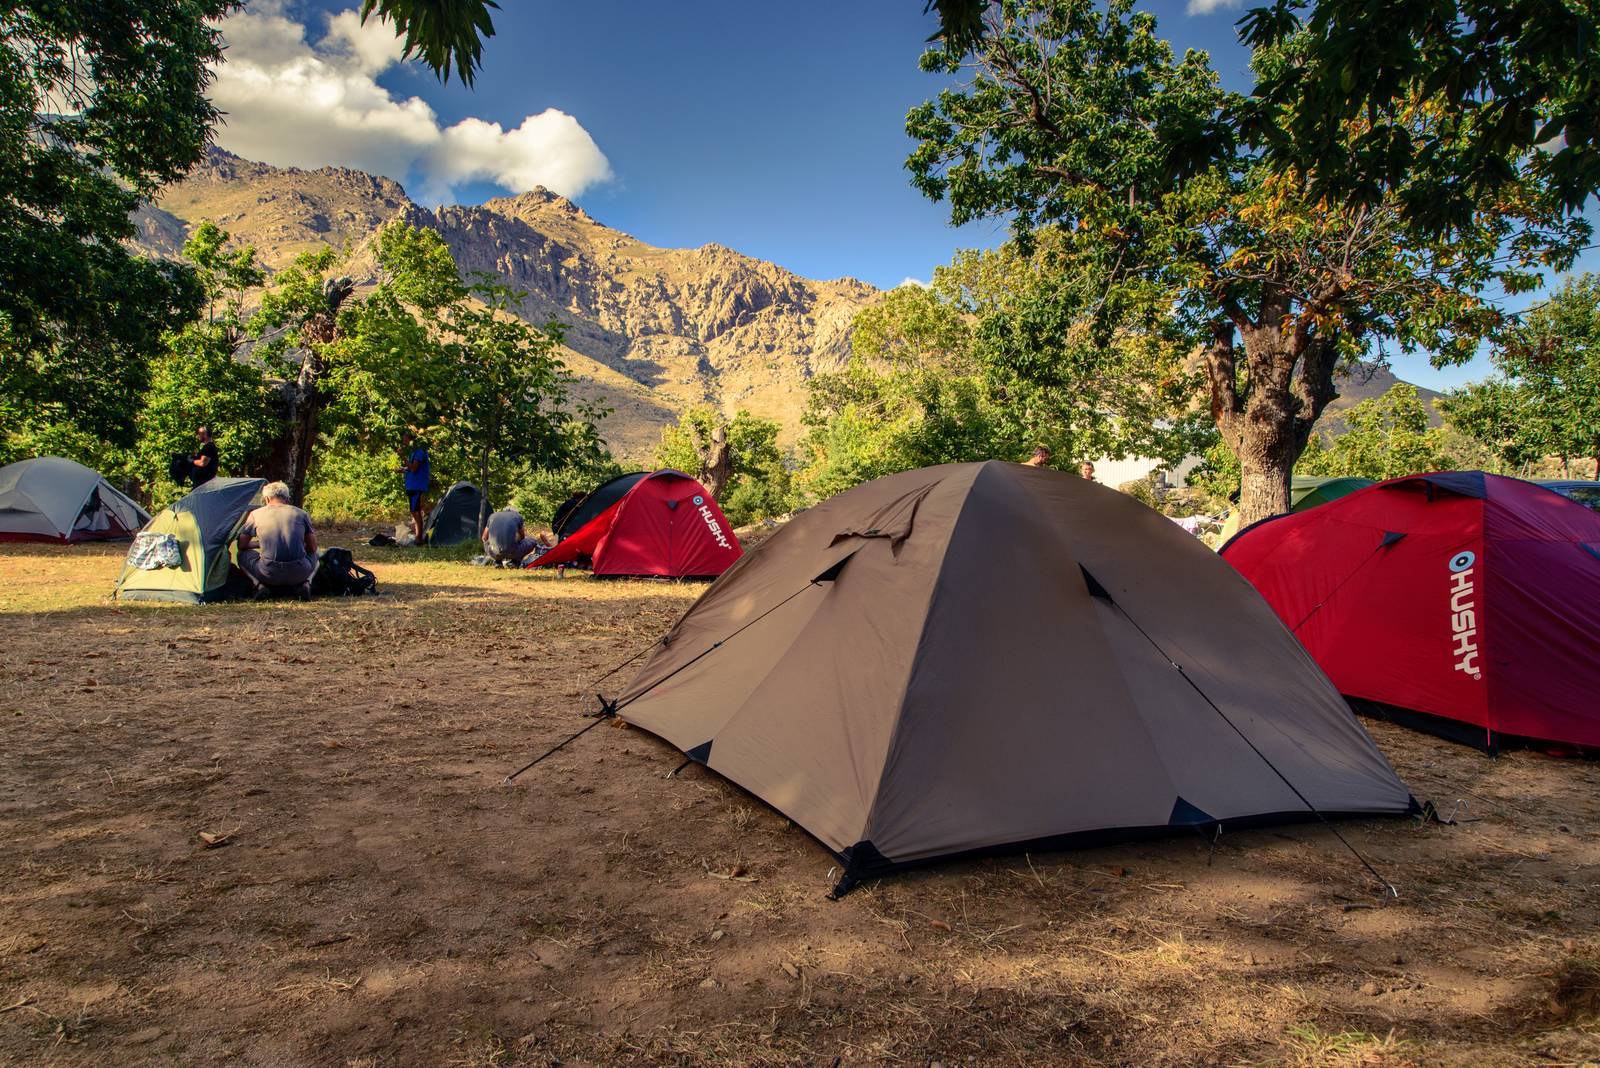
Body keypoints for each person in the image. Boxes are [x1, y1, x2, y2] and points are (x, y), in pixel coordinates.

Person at [237, 481, 318, 601]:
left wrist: (260, 544)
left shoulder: (255, 514)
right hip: (299, 573)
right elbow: (313, 548)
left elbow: (242, 545)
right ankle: (306, 584)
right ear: (287, 498)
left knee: (241, 555)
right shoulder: (301, 514)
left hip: (267, 573)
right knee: (316, 555)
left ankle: (259, 585)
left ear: (267, 499)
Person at [481, 507, 548, 567]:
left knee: (487, 543)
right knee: (533, 541)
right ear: (515, 512)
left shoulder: (492, 516)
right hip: (512, 552)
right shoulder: (517, 516)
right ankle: (515, 562)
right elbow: (522, 537)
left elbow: (484, 537)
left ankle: (498, 562)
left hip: (493, 552)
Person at [401, 433, 430, 542]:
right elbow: (411, 468)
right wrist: (404, 469)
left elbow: (414, 468)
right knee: (414, 510)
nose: (404, 441)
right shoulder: (413, 452)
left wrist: (402, 457)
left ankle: (419, 538)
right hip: (412, 485)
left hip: (417, 485)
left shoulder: (419, 452)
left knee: (415, 511)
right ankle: (418, 537)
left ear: (411, 439)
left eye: (405, 439)